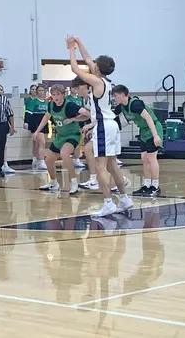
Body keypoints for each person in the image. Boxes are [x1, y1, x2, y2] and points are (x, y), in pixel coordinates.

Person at [67, 35, 134, 214]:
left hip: (104, 125)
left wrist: (71, 49)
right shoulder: (105, 81)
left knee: (101, 166)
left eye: (94, 63)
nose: (91, 62)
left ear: (98, 67)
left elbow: (75, 68)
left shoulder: (96, 82)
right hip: (111, 124)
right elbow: (88, 58)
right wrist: (79, 42)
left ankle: (108, 202)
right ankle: (125, 199)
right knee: (112, 164)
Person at [34, 84, 86, 194]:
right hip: (61, 136)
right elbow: (46, 117)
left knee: (64, 154)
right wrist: (37, 131)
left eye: (58, 94)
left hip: (73, 134)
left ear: (63, 95)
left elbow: (87, 114)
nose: (56, 97)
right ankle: (53, 182)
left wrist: (73, 119)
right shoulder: (51, 105)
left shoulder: (70, 105)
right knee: (48, 159)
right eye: (53, 95)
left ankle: (74, 182)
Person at [112, 84, 163, 197]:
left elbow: (149, 118)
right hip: (143, 131)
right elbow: (110, 116)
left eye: (115, 96)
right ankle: (146, 185)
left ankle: (155, 186)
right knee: (144, 159)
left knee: (151, 158)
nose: (114, 98)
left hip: (153, 128)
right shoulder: (121, 107)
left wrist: (155, 136)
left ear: (122, 95)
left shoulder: (135, 104)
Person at [24, 85, 49, 170]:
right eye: (40, 90)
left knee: (42, 143)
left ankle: (38, 160)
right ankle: (41, 161)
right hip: (36, 123)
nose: (41, 92)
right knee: (41, 142)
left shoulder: (47, 102)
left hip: (44, 123)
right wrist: (26, 122)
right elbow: (28, 112)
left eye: (43, 90)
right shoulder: (33, 101)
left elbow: (49, 114)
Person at [67, 84, 88, 170]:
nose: (75, 90)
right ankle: (71, 157)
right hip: (70, 120)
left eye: (76, 88)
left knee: (79, 140)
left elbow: (84, 110)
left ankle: (76, 158)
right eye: (73, 88)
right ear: (70, 89)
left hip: (79, 120)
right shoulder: (67, 99)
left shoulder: (80, 98)